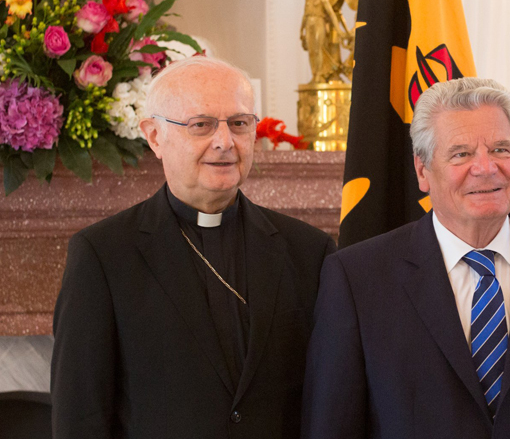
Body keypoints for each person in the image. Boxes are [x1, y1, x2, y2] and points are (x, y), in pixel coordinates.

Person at [302, 77, 510, 438]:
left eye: (500, 149)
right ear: (422, 171)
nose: (486, 168)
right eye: (462, 154)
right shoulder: (357, 279)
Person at [51, 57, 337, 439]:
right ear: (155, 137)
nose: (225, 142)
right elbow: (80, 417)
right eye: (201, 124)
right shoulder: (102, 255)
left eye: (239, 123)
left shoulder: (310, 251)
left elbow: (331, 401)